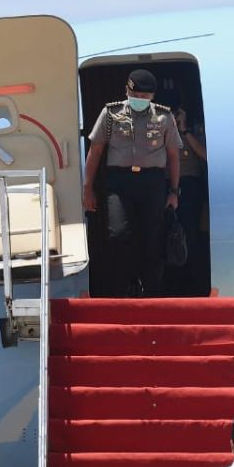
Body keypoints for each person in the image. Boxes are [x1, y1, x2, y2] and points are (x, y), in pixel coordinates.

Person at [83, 69, 181, 297]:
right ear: (127, 91)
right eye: (135, 95)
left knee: (153, 237)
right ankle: (125, 285)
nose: (139, 100)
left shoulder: (164, 117)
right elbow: (95, 151)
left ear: (152, 96)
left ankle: (152, 290)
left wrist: (174, 191)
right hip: (120, 181)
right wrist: (87, 188)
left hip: (152, 182)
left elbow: (173, 156)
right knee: (118, 234)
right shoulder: (110, 114)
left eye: (144, 97)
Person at [167, 104, 210, 295]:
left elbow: (205, 154)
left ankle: (192, 283)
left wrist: (184, 130)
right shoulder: (160, 131)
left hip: (189, 185)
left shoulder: (192, 132)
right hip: (166, 185)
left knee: (190, 233)